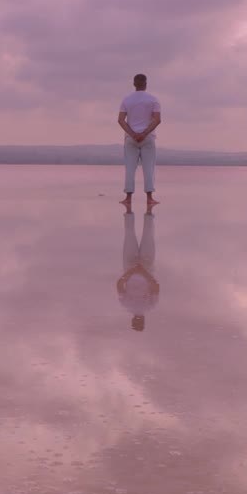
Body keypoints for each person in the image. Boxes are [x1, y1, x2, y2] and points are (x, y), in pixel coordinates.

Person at [118, 73, 161, 211]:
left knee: (130, 168)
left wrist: (133, 134)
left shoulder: (127, 99)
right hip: (148, 138)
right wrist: (144, 133)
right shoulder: (153, 99)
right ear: (146, 84)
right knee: (149, 168)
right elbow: (157, 119)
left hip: (130, 138)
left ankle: (128, 198)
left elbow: (120, 120)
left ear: (134, 84)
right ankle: (149, 198)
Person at [116, 210, 160, 332]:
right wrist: (133, 270)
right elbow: (119, 284)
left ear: (143, 320)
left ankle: (149, 211)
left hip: (145, 269)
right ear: (133, 319)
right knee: (129, 235)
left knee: (148, 235)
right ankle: (129, 211)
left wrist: (141, 271)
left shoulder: (150, 307)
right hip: (131, 269)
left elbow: (156, 286)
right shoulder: (126, 305)